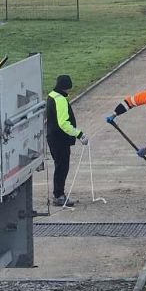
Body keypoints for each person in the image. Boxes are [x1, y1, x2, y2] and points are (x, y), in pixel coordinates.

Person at [46, 75, 88, 206]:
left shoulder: (52, 95)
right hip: (59, 139)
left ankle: (58, 193)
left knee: (60, 166)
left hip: (53, 137)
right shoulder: (61, 100)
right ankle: (59, 195)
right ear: (67, 87)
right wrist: (79, 134)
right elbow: (63, 123)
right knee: (62, 167)